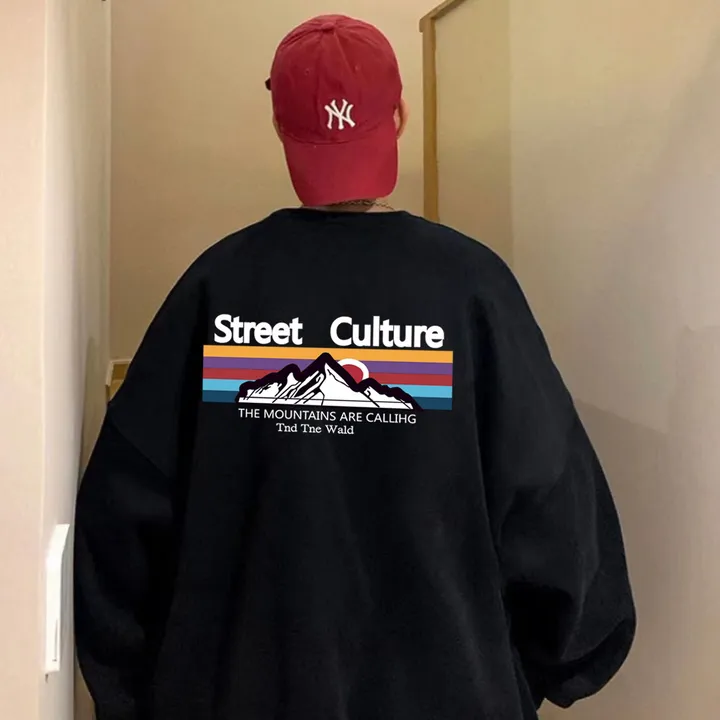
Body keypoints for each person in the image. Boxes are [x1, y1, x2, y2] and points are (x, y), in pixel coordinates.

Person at [74, 14, 635, 720]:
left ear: (279, 125)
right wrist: (541, 667)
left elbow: (120, 519)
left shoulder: (214, 291)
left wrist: (139, 693)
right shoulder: (473, 290)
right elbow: (556, 511)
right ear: (398, 117)